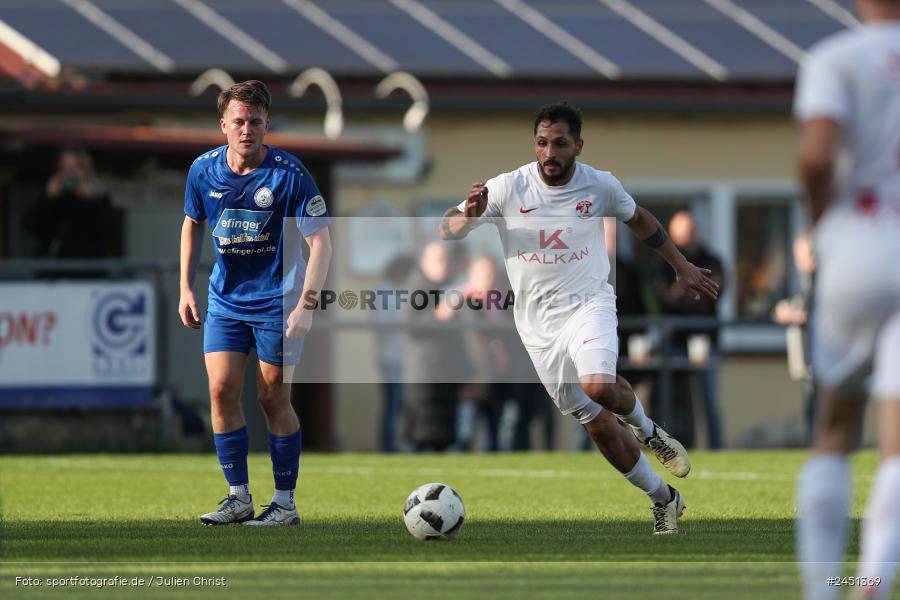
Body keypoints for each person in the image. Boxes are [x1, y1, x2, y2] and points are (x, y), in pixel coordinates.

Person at [439, 102, 719, 534]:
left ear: (578, 146)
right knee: (597, 425)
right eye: (542, 143)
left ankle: (649, 432)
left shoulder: (600, 186)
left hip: (589, 304)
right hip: (537, 326)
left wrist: (680, 265)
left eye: (560, 143)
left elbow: (641, 221)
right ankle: (663, 498)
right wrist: (469, 215)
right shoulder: (509, 187)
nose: (549, 152)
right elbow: (447, 227)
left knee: (598, 383)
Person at [179, 80, 331, 526]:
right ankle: (238, 497)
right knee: (221, 390)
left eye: (256, 122)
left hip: (278, 303)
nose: (247, 130)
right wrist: (187, 287)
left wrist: (306, 305)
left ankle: (284, 503)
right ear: (223, 124)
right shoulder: (202, 170)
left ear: (267, 125)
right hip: (225, 300)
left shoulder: (289, 174)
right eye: (239, 122)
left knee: (271, 396)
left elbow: (320, 243)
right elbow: (191, 223)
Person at [792, 1, 900, 597]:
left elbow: (815, 157)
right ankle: (875, 579)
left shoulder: (834, 59)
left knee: (834, 429)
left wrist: (820, 222)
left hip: (856, 250)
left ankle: (821, 588)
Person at [652, 211, 725, 449]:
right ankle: (672, 450)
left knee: (710, 403)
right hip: (674, 345)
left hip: (706, 343)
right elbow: (665, 300)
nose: (686, 240)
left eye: (690, 234)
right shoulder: (663, 267)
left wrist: (685, 290)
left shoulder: (712, 261)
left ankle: (717, 449)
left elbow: (713, 294)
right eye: (681, 236)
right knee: (672, 403)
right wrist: (689, 288)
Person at [25, 146, 121, 259]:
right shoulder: (51, 196)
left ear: (86, 171)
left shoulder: (98, 195)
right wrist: (48, 200)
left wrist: (91, 201)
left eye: (75, 168)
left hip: (89, 268)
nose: (70, 174)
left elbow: (111, 231)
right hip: (53, 267)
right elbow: (30, 226)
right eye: (65, 169)